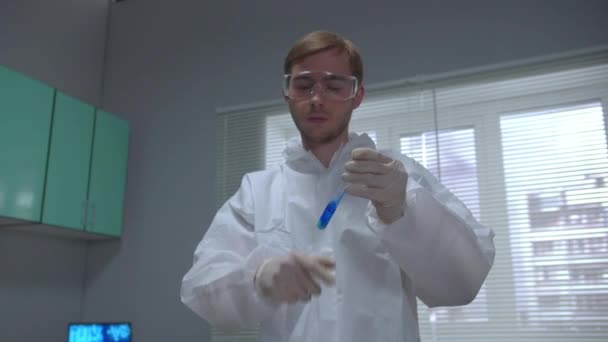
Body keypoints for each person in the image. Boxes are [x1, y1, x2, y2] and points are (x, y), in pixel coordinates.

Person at [181, 30, 495, 342]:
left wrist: (403, 211)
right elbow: (200, 289)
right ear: (287, 92)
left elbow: (463, 283)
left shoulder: (398, 175)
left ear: (357, 95)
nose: (317, 99)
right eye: (304, 85)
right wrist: (258, 279)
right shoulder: (258, 191)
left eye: (334, 85)